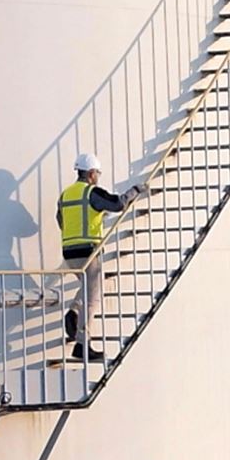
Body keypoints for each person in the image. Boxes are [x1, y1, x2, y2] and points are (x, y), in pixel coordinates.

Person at [58, 152, 145, 361]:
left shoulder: (66, 194)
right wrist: (135, 191)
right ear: (90, 173)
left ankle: (73, 313)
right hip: (88, 250)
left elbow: (60, 219)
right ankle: (82, 343)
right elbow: (117, 203)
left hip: (70, 251)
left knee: (88, 287)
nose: (98, 176)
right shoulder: (91, 192)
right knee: (93, 297)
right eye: (97, 172)